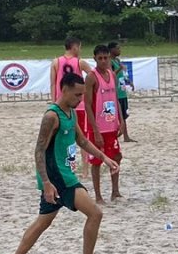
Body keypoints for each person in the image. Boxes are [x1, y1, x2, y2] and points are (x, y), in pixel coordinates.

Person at [4, 71, 119, 254]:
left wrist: (104, 158)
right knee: (95, 214)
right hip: (58, 178)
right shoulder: (51, 116)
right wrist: (46, 183)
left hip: (63, 174)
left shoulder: (70, 113)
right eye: (76, 95)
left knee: (42, 222)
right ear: (64, 90)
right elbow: (39, 151)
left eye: (82, 95)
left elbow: (82, 141)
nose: (80, 99)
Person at [50, 37, 94, 177]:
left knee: (62, 137)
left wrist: (53, 101)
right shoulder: (79, 62)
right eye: (79, 47)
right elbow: (93, 75)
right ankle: (85, 169)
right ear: (75, 47)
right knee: (82, 137)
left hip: (61, 103)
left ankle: (65, 166)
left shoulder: (56, 62)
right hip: (78, 104)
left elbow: (52, 83)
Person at [85, 44, 124, 202]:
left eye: (105, 58)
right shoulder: (91, 77)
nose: (103, 61)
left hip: (111, 125)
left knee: (116, 156)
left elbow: (116, 100)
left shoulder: (112, 75)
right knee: (96, 161)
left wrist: (121, 121)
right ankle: (98, 195)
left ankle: (115, 191)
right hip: (98, 126)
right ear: (94, 58)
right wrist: (95, 130)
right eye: (100, 58)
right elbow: (87, 104)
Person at [109, 41, 136, 142]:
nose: (119, 50)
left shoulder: (117, 60)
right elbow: (110, 75)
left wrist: (129, 82)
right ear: (112, 50)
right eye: (118, 48)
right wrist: (120, 68)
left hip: (122, 91)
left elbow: (122, 74)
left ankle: (126, 136)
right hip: (116, 92)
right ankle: (117, 135)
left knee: (124, 115)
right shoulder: (109, 61)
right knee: (116, 115)